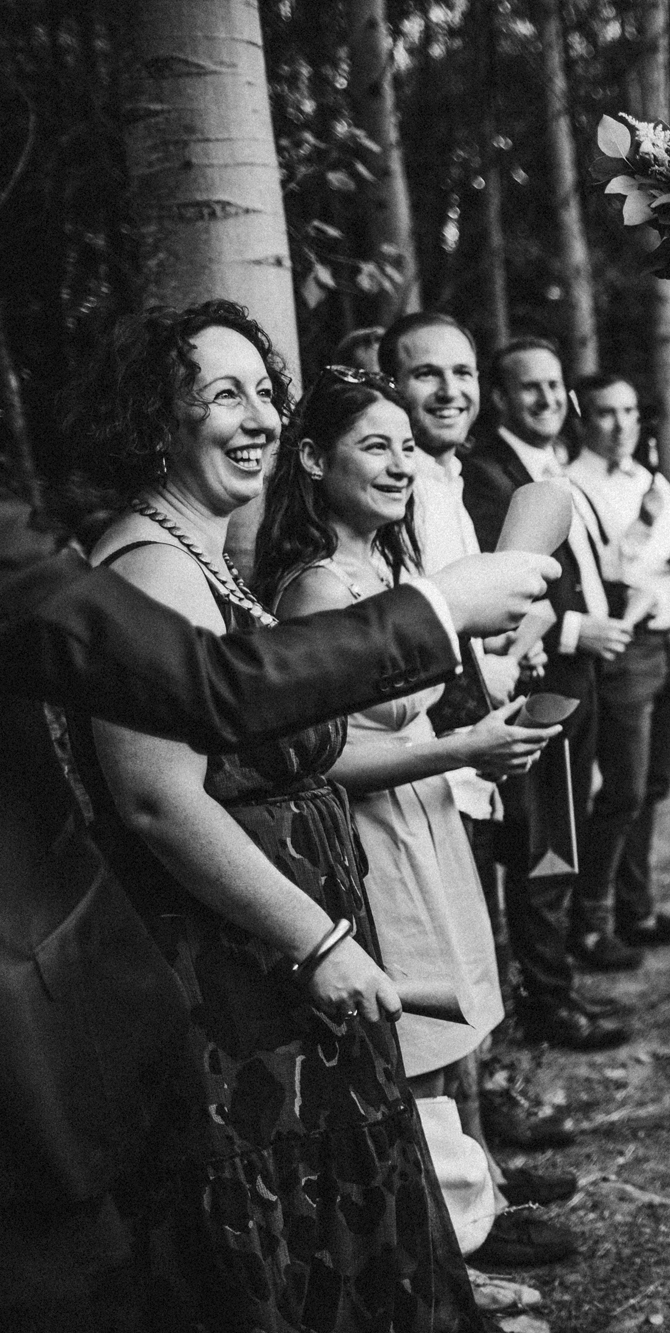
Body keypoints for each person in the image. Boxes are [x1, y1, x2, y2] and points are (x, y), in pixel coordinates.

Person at [0, 417, 554, 1332]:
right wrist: (436, 609)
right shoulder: (149, 564)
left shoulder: (213, 562)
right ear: (157, 418)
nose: (261, 415)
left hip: (289, 955)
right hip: (227, 979)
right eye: (226, 393)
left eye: (266, 390)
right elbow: (178, 757)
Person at [252, 362, 588, 1268]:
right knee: (412, 1044)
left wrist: (480, 729)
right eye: (377, 447)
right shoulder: (317, 589)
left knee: (453, 1027)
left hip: (427, 812)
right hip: (372, 835)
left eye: (408, 447)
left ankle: (472, 1211)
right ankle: (447, 1255)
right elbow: (325, 758)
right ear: (313, 460)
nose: (403, 464)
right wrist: (464, 748)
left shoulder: (387, 564)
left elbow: (549, 498)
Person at [379, 312, 608, 1154]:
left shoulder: (450, 480)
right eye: (426, 374)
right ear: (390, 385)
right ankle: (474, 1139)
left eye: (463, 372)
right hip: (430, 749)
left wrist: (508, 651)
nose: (451, 391)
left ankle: (487, 1117)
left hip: (479, 730)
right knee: (448, 945)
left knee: (483, 932)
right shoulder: (395, 488)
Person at [461, 335, 638, 1038]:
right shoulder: (486, 477)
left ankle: (557, 979)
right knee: (541, 840)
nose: (546, 399)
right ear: (500, 397)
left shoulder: (554, 468)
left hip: (580, 675)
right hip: (538, 675)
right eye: (528, 386)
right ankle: (546, 999)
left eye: (554, 384)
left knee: (565, 829)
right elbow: (496, 584)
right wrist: (572, 632)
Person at [566, 371, 670, 951]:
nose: (621, 424)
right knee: (621, 789)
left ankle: (637, 911)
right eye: (607, 412)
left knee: (653, 785)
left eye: (629, 412)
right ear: (583, 416)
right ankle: (590, 921)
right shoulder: (570, 486)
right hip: (627, 649)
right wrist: (645, 524)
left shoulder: (651, 480)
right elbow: (599, 574)